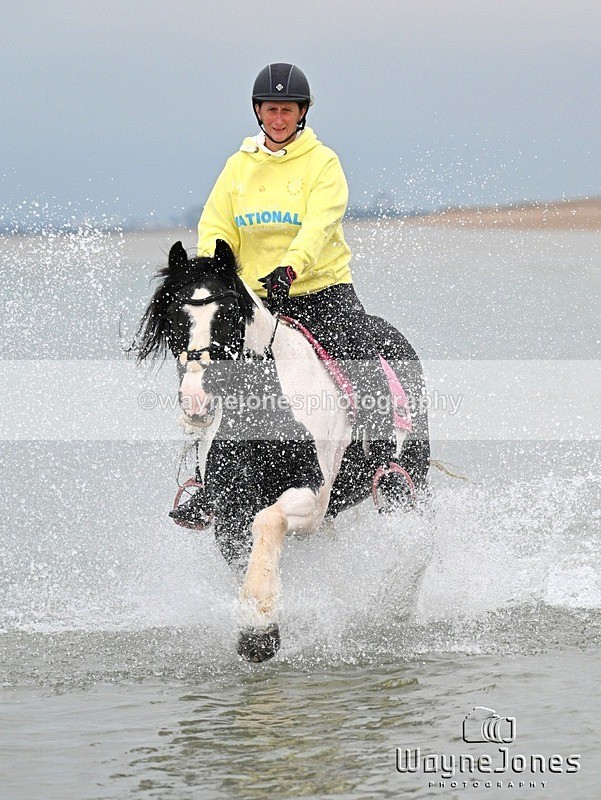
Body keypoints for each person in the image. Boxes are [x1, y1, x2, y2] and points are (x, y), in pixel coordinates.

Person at [172, 63, 407, 523]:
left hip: (319, 290)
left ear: (301, 113)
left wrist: (291, 267)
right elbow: (217, 224)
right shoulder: (238, 167)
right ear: (259, 112)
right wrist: (215, 276)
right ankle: (203, 474)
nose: (279, 118)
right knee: (201, 359)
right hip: (257, 300)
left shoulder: (323, 163)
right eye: (271, 109)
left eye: (287, 109)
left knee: (360, 359)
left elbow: (320, 223)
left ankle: (385, 464)